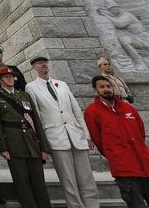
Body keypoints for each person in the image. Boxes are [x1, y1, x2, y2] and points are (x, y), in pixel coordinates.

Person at [26, 56, 99, 208]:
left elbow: (76, 111)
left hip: (76, 135)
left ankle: (92, 205)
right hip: (55, 136)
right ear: (34, 67)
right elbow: (37, 116)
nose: (43, 65)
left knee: (86, 177)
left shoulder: (62, 85)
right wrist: (42, 142)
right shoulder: (31, 87)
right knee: (68, 179)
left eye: (45, 63)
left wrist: (86, 135)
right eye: (39, 63)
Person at [84, 76, 149, 208]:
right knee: (136, 204)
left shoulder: (128, 108)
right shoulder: (92, 112)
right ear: (95, 90)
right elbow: (98, 140)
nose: (106, 89)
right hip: (124, 168)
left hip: (145, 165)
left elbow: (141, 133)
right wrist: (115, 154)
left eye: (108, 86)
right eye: (102, 87)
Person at [0, 65, 52, 208]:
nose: (10, 79)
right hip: (14, 144)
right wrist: (3, 146)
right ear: (0, 80)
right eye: (6, 77)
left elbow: (36, 121)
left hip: (32, 143)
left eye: (11, 76)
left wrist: (44, 146)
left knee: (39, 182)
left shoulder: (24, 95)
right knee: (22, 182)